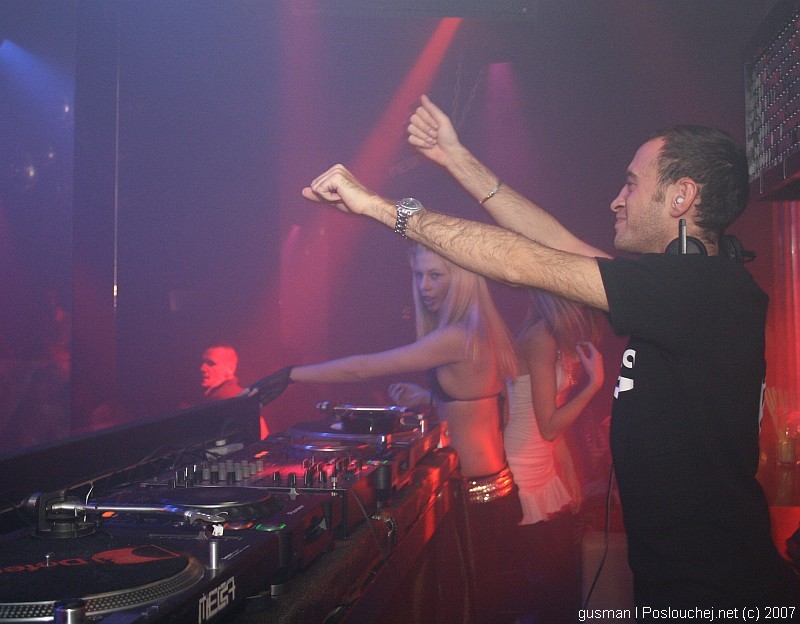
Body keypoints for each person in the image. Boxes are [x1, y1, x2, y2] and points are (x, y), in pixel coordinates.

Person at [301, 98, 800, 610]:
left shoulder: (696, 289)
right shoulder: (690, 288)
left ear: (682, 195)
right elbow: (554, 239)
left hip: (717, 593)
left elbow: (520, 262)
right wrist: (456, 158)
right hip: (697, 585)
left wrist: (381, 208)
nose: (617, 200)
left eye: (631, 184)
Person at [255, 244, 520, 622]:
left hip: (477, 497)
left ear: (462, 279)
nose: (424, 285)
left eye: (435, 275)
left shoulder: (457, 335)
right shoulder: (478, 328)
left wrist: (292, 374)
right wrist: (430, 396)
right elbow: (480, 402)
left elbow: (365, 367)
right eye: (419, 275)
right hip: (492, 487)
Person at [504, 289, 604, 622]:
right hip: (522, 473)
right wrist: (594, 385)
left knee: (557, 585)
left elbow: (552, 416)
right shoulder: (540, 338)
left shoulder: (553, 336)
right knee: (547, 591)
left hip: (542, 469)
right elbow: (548, 426)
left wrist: (569, 470)